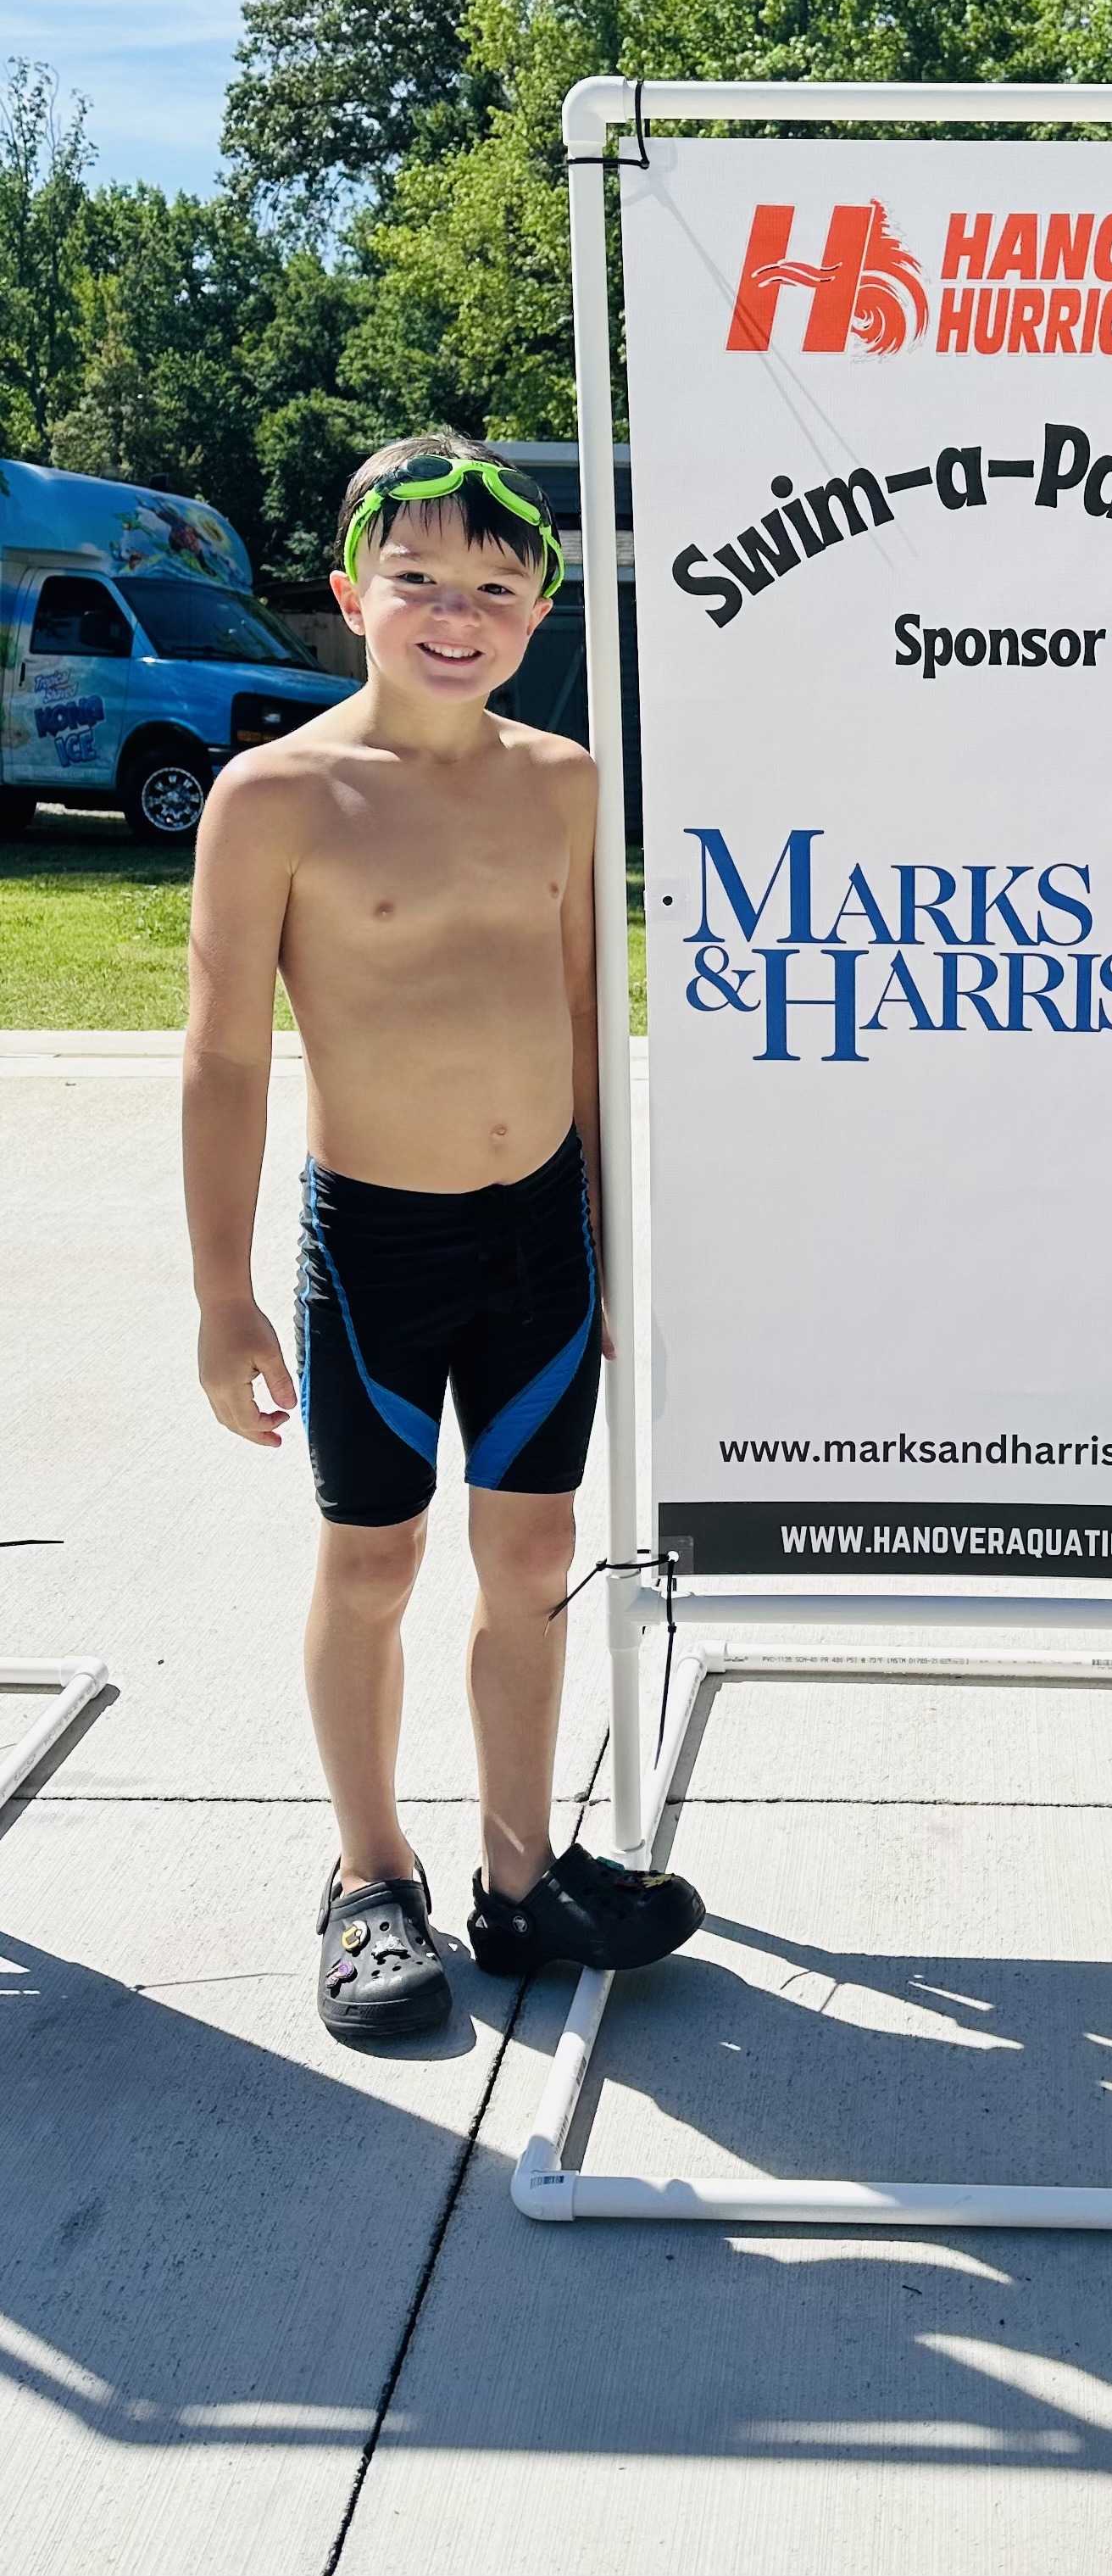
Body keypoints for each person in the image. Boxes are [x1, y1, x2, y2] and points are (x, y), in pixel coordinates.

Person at [182, 432, 703, 2040]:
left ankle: (520, 1871)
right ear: (352, 595)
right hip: (376, 1255)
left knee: (534, 1555)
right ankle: (369, 1876)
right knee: (373, 1560)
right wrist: (219, 1294)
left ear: (540, 609)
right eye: (415, 578)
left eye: (493, 583)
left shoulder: (564, 783)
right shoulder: (275, 796)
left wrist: (611, 1233)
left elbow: (586, 1017)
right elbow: (224, 1055)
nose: (454, 611)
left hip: (539, 1238)